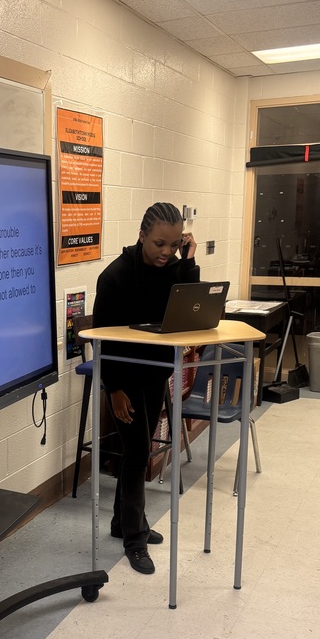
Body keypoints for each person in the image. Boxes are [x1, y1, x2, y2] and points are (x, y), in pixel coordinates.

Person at [92, 202, 200, 575]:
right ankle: (134, 539)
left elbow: (193, 309)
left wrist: (188, 260)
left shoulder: (172, 269)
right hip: (123, 379)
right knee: (138, 452)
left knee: (140, 450)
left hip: (154, 375)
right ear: (141, 235)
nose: (165, 253)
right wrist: (114, 389)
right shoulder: (114, 278)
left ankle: (122, 522)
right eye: (159, 244)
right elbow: (101, 342)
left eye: (173, 245)